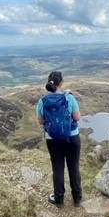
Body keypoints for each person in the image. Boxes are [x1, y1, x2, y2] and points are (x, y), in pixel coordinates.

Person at [37, 71, 82, 208]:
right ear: (61, 83)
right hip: (72, 136)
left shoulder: (42, 101)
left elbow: (40, 121)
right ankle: (77, 199)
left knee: (57, 168)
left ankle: (59, 199)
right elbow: (77, 117)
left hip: (53, 139)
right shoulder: (70, 98)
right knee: (73, 166)